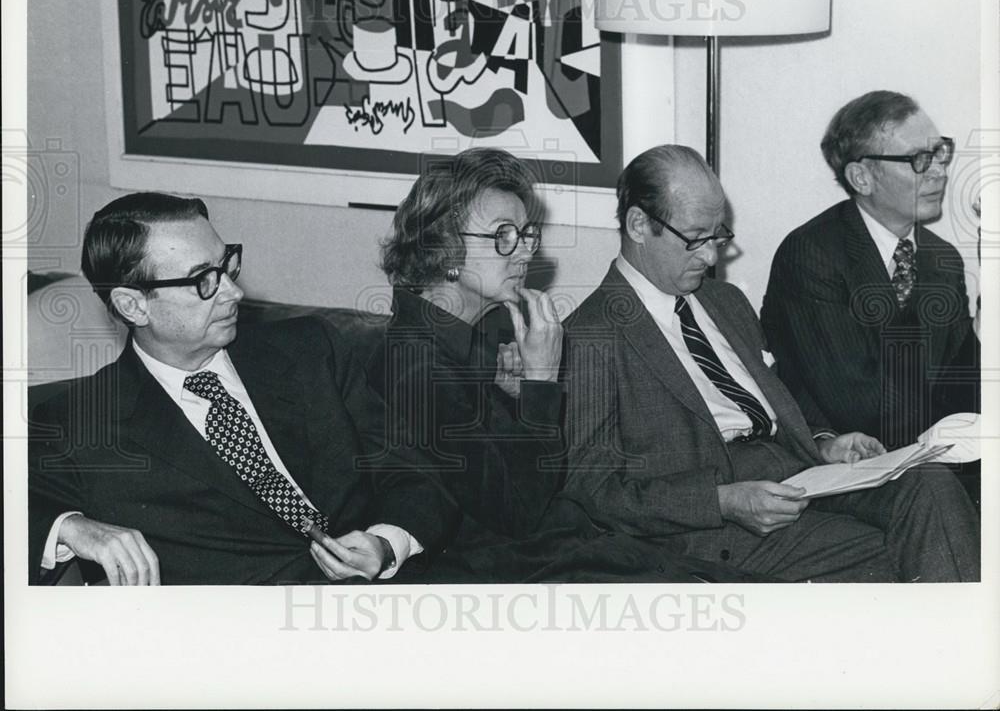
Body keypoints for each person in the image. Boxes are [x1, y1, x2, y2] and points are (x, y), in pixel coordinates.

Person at [560, 145, 980, 582]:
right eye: (695, 238)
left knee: (931, 483)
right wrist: (722, 500)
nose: (710, 257)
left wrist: (823, 442)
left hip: (800, 476)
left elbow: (774, 394)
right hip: (715, 524)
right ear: (639, 225)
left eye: (717, 235)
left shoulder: (725, 301)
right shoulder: (590, 334)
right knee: (906, 550)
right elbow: (597, 492)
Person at [368, 148, 763, 582]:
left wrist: (523, 395)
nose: (523, 253)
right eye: (503, 236)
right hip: (521, 574)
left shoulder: (484, 335)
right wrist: (540, 383)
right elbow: (519, 512)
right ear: (443, 245)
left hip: (582, 548)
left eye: (525, 234)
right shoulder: (416, 363)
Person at [28, 192, 453, 585]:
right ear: (132, 305)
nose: (235, 291)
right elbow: (19, 509)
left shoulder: (310, 350)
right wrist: (70, 527)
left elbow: (414, 469)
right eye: (203, 281)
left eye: (227, 264)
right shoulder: (79, 421)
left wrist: (386, 543)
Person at [761, 91, 979, 450]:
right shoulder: (812, 254)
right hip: (853, 460)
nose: (940, 170)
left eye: (940, 152)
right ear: (862, 177)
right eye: (920, 159)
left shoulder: (943, 258)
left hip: (928, 453)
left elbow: (963, 387)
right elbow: (859, 408)